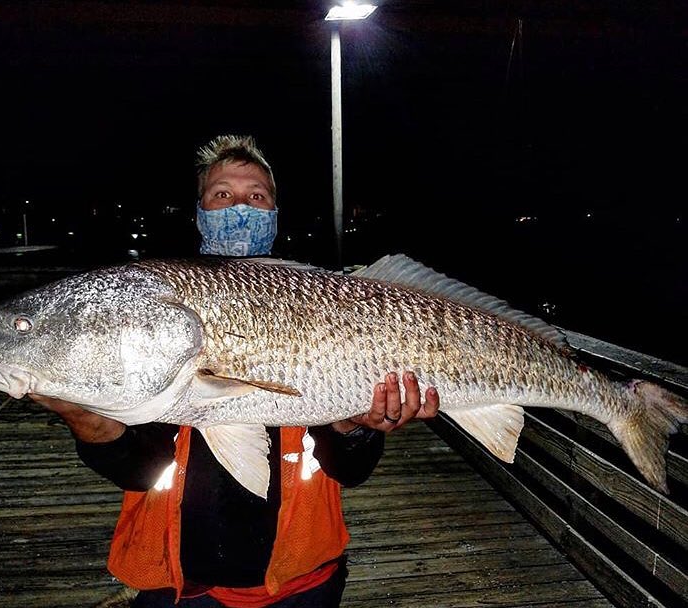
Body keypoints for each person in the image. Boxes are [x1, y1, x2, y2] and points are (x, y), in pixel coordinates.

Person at [30, 135, 440, 607]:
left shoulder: (324, 302)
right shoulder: (159, 311)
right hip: (180, 585)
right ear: (199, 211)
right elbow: (142, 470)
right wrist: (86, 419)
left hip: (302, 579)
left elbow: (349, 469)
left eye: (256, 196)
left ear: (275, 213)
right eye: (222, 194)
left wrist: (357, 426)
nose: (240, 206)